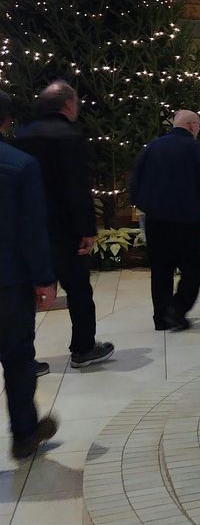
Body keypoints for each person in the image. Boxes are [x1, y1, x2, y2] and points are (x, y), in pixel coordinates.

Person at [13, 81, 113, 369]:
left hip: (28, 228)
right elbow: (76, 188)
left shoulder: (22, 135)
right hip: (64, 230)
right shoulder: (69, 136)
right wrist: (86, 230)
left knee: (27, 294)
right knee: (79, 289)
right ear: (68, 105)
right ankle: (83, 348)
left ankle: (25, 359)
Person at [0, 89, 60, 459]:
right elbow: (32, 229)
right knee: (18, 358)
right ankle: (24, 434)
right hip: (9, 282)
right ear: (6, 121)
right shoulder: (20, 165)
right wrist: (43, 279)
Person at [129, 110, 200, 329]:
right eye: (199, 126)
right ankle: (178, 308)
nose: (198, 131)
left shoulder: (152, 147)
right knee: (193, 265)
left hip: (155, 219)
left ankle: (161, 318)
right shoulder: (198, 150)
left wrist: (144, 206)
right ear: (192, 125)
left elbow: (135, 180)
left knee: (161, 267)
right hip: (186, 219)